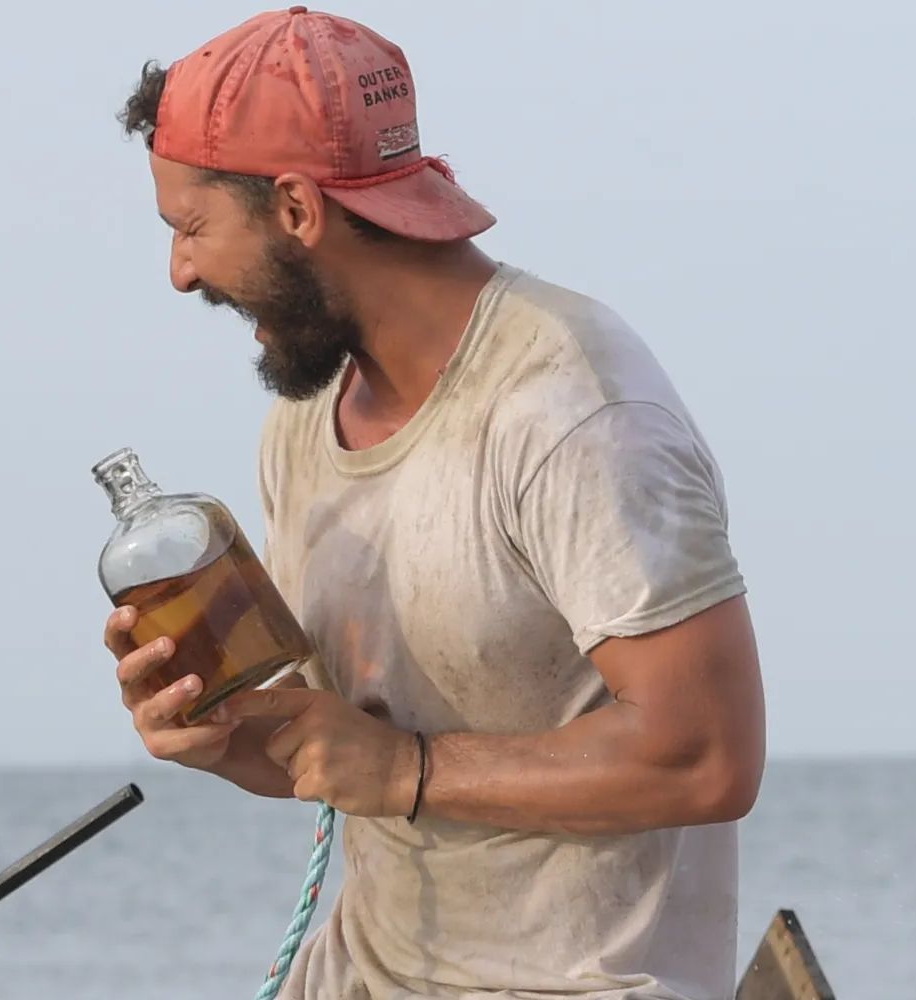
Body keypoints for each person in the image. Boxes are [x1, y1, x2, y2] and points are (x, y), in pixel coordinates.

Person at [104, 8, 765, 999]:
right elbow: (346, 754)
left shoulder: (571, 408)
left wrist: (411, 770)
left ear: (294, 208)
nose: (179, 272)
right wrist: (226, 738)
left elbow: (707, 757)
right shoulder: (303, 421)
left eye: (190, 227)